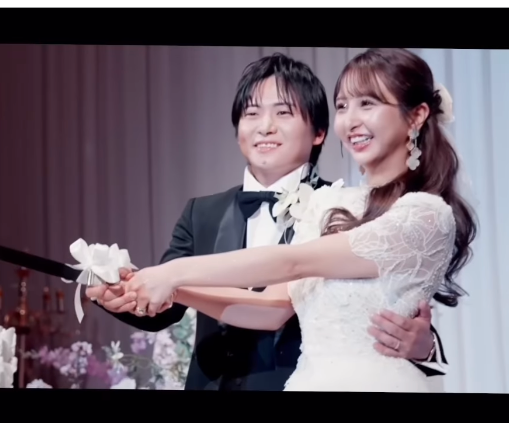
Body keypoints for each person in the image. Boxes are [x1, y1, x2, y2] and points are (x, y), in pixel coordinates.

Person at [87, 52, 447, 390]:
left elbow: (394, 302)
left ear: (318, 132)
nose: (265, 127)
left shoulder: (364, 208)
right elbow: (180, 305)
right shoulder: (203, 213)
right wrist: (128, 288)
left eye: (283, 113)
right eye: (252, 113)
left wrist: (428, 348)